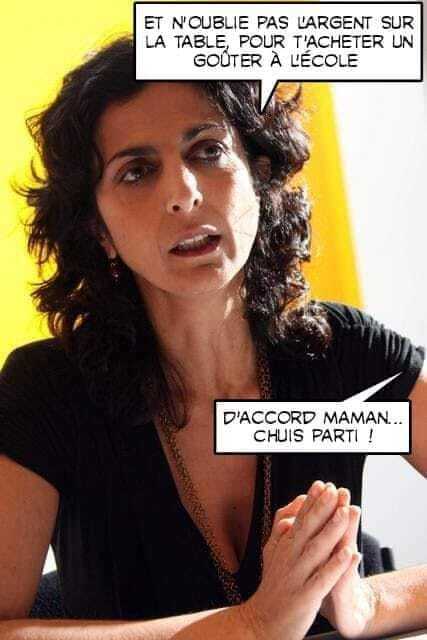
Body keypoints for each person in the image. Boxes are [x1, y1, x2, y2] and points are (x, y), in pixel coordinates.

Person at [0, 35, 426, 640]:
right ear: (99, 229)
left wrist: (373, 605)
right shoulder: (46, 391)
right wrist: (252, 625)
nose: (183, 194)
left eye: (207, 150)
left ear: (257, 174)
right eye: (137, 171)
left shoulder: (346, 351)